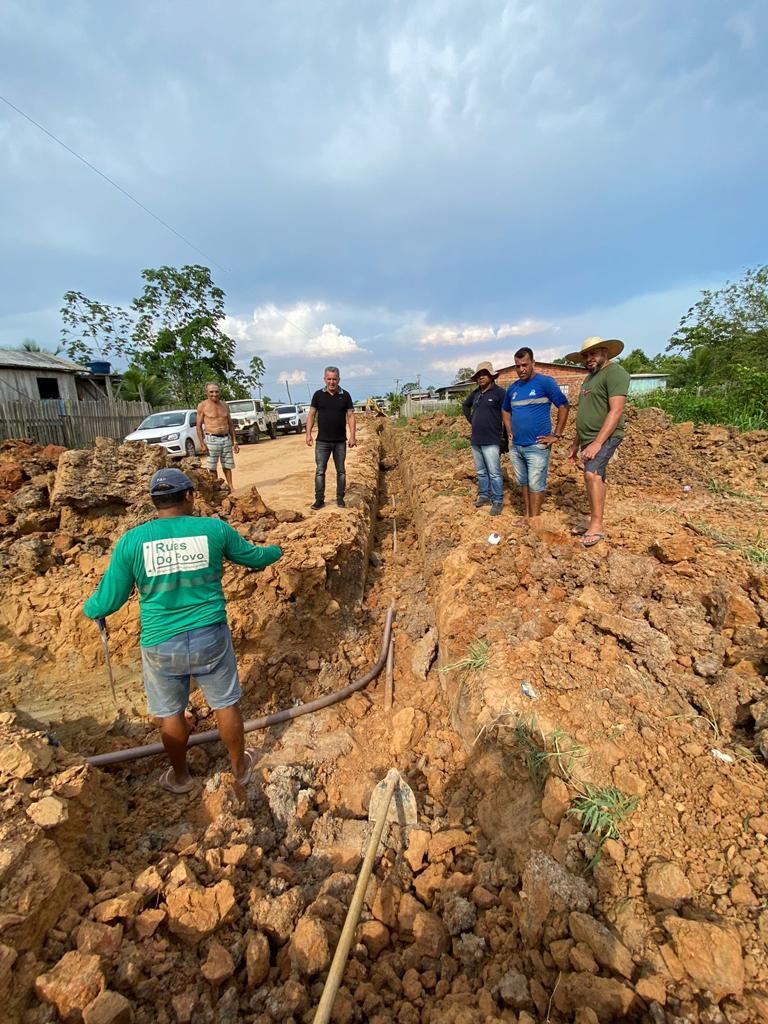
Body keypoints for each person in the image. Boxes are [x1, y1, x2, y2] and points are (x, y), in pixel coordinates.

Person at [83, 468, 282, 793]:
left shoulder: (132, 541)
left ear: (154, 502)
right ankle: (240, 769)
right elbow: (253, 558)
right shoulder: (212, 530)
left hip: (161, 643)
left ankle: (181, 777)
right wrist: (276, 551)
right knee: (225, 704)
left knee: (171, 712)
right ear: (190, 495)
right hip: (210, 635)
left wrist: (92, 610)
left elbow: (110, 598)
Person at [565, 336, 630, 547]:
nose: (589, 359)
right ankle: (594, 520)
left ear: (605, 352)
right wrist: (576, 443)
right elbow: (586, 412)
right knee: (597, 477)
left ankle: (596, 525)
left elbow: (616, 410)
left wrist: (598, 442)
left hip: (606, 436)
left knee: (591, 474)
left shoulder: (615, 373)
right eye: (585, 356)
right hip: (588, 437)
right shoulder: (589, 378)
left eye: (593, 354)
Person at [501, 347, 570, 519]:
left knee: (536, 484)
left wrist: (557, 434)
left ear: (533, 363)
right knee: (523, 483)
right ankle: (527, 516)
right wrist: (509, 430)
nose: (521, 369)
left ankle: (534, 520)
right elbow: (505, 410)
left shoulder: (545, 383)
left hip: (537, 446)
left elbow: (563, 405)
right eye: (517, 366)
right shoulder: (513, 388)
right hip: (517, 446)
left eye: (525, 365)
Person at [305, 366, 356, 510]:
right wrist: (308, 433)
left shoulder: (345, 396)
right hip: (322, 441)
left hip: (340, 441)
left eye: (334, 379)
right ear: (324, 379)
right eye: (329, 379)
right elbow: (311, 415)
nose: (332, 382)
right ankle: (319, 500)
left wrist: (353, 436)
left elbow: (351, 416)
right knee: (320, 470)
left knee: (341, 471)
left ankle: (340, 498)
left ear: (338, 379)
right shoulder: (318, 395)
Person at [462, 361, 507, 516]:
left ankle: (497, 500)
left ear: (491, 376)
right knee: (481, 471)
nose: (481, 378)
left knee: (494, 472)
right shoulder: (475, 394)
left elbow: (508, 412)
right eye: (479, 375)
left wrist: (506, 437)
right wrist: (472, 419)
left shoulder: (499, 393)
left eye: (484, 374)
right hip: (476, 439)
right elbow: (465, 405)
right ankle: (484, 495)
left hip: (492, 438)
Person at [196, 382, 239, 490]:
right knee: (212, 466)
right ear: (207, 393)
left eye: (216, 391)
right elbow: (198, 427)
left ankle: (230, 486)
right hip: (211, 439)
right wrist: (202, 443)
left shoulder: (225, 405)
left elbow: (230, 424)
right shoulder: (202, 406)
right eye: (211, 392)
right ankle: (216, 488)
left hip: (226, 439)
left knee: (227, 465)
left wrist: (234, 441)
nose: (214, 394)